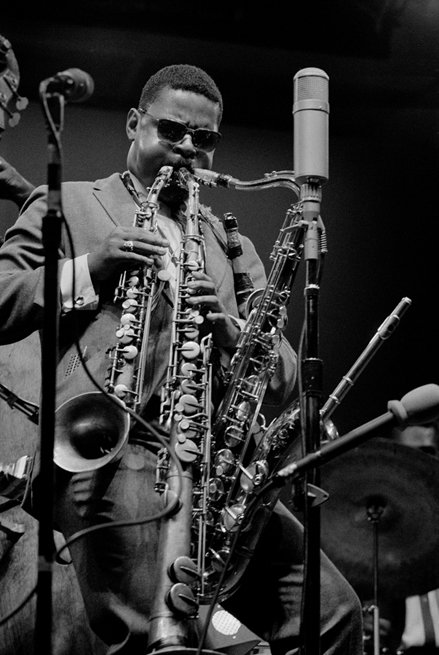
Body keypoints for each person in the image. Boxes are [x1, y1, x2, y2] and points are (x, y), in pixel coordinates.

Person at [0, 63, 363, 654]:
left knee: (335, 615)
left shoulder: (230, 241)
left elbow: (289, 378)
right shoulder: (66, 203)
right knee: (149, 639)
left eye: (205, 139)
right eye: (172, 131)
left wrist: (235, 338)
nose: (189, 149)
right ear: (133, 124)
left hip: (215, 474)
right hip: (112, 457)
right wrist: (91, 268)